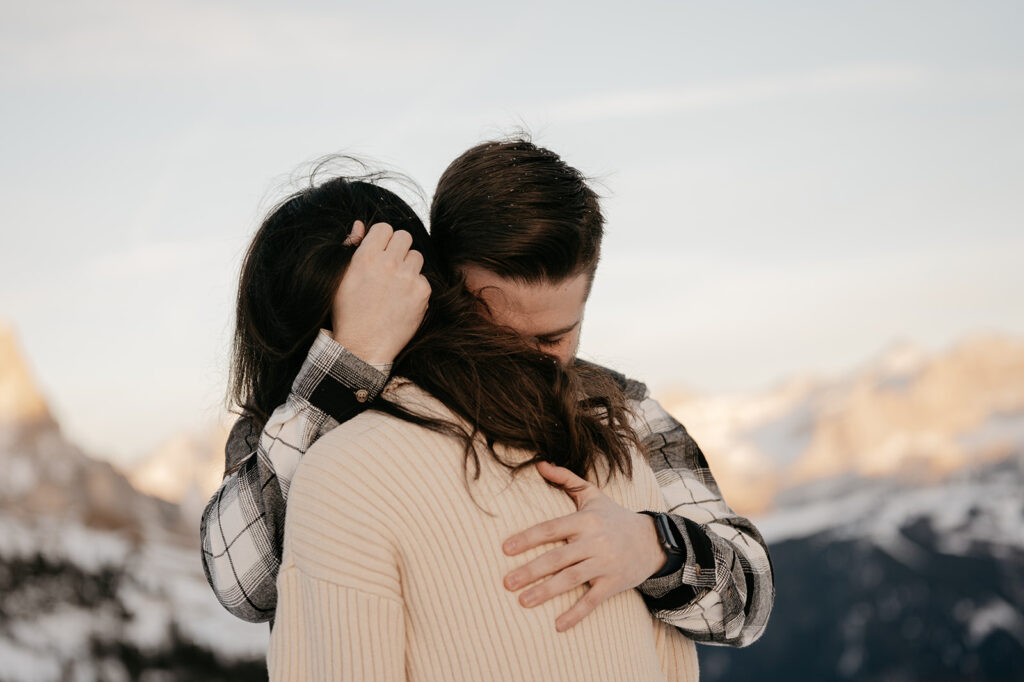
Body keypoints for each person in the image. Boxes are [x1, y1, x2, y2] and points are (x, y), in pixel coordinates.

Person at [200, 140, 774, 652]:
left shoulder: (612, 406)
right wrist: (350, 364)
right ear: (439, 288)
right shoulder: (300, 417)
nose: (525, 361)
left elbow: (751, 603)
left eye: (555, 336)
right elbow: (244, 587)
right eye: (494, 329)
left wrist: (656, 546)